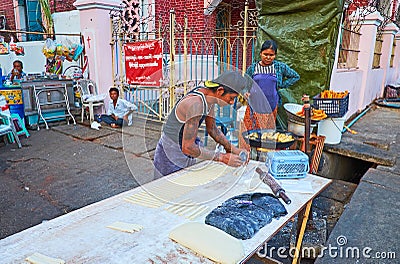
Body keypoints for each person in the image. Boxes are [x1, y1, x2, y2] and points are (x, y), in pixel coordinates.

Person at [153, 70, 250, 178]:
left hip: (185, 150)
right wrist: (222, 157)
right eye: (231, 98)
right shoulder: (196, 104)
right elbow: (188, 147)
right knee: (168, 189)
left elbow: (212, 129)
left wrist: (232, 149)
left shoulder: (210, 99)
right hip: (170, 152)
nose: (232, 102)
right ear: (220, 91)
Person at [240, 40, 300, 148]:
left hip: (271, 106)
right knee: (249, 132)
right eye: (265, 54)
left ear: (275, 55)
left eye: (271, 55)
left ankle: (264, 156)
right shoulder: (253, 68)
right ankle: (247, 154)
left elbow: (295, 76)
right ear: (260, 54)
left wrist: (281, 85)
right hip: (254, 105)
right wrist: (245, 93)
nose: (268, 57)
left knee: (267, 133)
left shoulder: (280, 67)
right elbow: (244, 84)